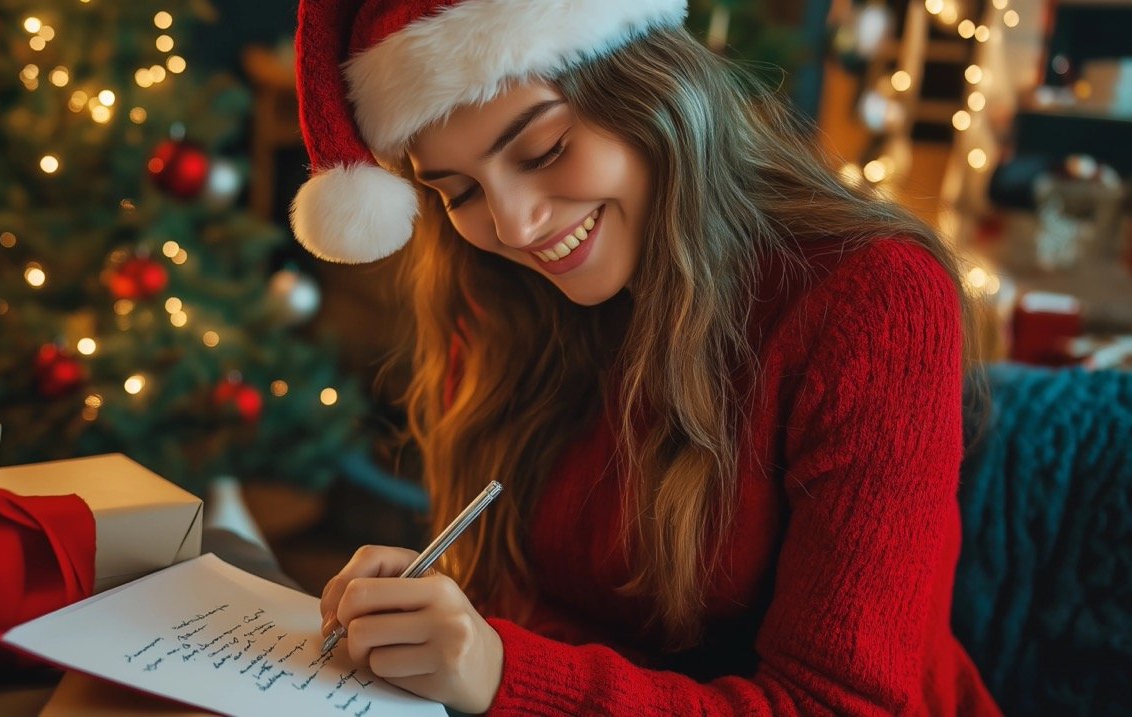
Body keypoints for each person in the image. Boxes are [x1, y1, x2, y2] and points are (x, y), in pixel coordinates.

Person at [289, 1, 1002, 714]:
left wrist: (503, 671)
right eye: (461, 192)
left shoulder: (874, 301)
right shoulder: (497, 294)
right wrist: (439, 616)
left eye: (543, 151)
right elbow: (524, 599)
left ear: (653, 91)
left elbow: (841, 704)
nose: (513, 224)